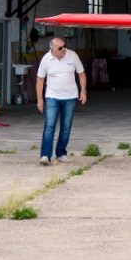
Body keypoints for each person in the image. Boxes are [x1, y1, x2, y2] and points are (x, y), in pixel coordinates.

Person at [36, 37, 87, 165]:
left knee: (66, 127)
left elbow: (81, 74)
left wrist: (83, 90)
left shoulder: (72, 55)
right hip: (52, 97)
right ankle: (45, 156)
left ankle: (61, 153)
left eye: (64, 46)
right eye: (60, 48)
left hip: (70, 97)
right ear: (52, 49)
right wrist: (40, 100)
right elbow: (40, 80)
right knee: (49, 126)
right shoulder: (46, 59)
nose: (64, 49)